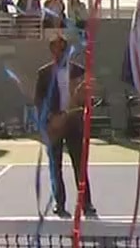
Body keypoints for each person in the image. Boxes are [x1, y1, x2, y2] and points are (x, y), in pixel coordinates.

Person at [33, 34, 97, 219]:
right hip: (54, 126)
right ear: (52, 51)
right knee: (55, 165)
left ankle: (87, 204)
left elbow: (87, 99)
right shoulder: (44, 73)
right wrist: (50, 118)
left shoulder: (79, 71)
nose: (59, 52)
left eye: (62, 48)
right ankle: (59, 203)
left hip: (74, 124)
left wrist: (82, 105)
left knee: (80, 165)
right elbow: (38, 100)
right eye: (55, 48)